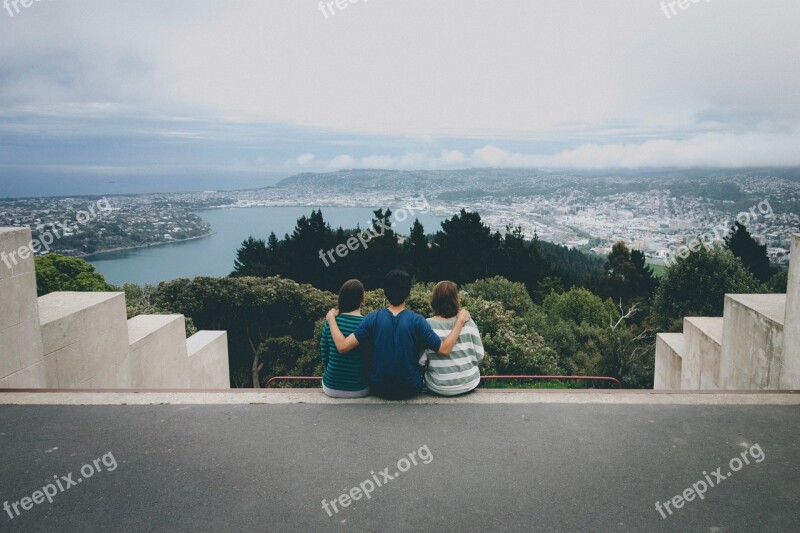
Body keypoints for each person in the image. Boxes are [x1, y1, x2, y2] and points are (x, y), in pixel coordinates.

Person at [326, 269, 470, 400]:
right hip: (410, 388)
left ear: (385, 292)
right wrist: (460, 321)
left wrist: (331, 318)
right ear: (408, 293)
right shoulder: (417, 320)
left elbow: (343, 346)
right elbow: (444, 349)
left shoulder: (372, 318)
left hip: (379, 388)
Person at [419, 281, 484, 396]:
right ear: (455, 299)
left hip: (437, 385)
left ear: (434, 300)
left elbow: (421, 361)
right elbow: (479, 355)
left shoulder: (427, 324)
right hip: (468, 383)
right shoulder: (468, 321)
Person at [320, 279, 370, 398]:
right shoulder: (366, 324)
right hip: (359, 388)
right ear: (362, 299)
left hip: (330, 386)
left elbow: (324, 355)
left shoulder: (330, 322)